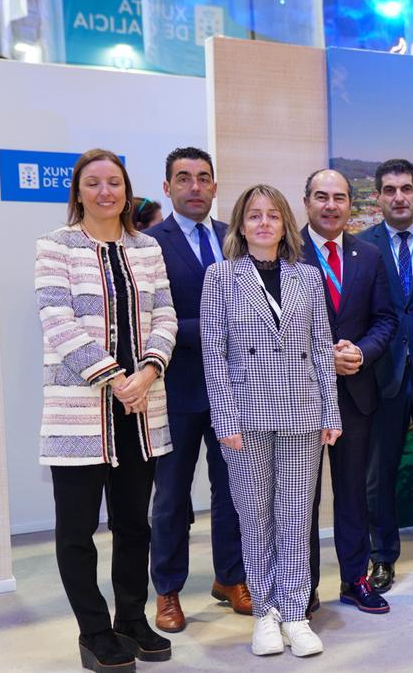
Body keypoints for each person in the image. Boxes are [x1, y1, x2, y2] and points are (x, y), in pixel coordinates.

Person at [35, 148, 177, 671]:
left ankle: (131, 619)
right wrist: (116, 379)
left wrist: (149, 371)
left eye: (113, 182)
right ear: (78, 191)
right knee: (77, 533)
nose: (104, 192)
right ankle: (94, 632)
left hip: (140, 411)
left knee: (134, 524)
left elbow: (166, 314)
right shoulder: (55, 245)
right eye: (92, 183)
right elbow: (57, 319)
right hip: (81, 410)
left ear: (126, 190)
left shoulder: (147, 248)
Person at [201, 184, 340, 657]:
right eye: (254, 215)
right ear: (241, 225)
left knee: (296, 516)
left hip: (303, 411)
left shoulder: (308, 277)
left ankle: (295, 613)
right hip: (246, 416)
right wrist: (224, 419)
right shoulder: (220, 277)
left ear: (285, 225)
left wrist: (331, 410)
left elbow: (321, 347)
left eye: (273, 216)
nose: (264, 223)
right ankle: (265, 612)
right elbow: (214, 356)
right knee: (254, 516)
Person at [146, 146, 249, 633]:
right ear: (167, 188)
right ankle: (167, 590)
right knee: (171, 498)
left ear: (214, 185)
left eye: (203, 178)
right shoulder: (148, 243)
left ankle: (230, 578)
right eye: (184, 178)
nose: (195, 187)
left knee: (233, 491)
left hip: (235, 391)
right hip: (176, 390)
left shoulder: (236, 238)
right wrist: (213, 330)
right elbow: (148, 319)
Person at [300, 169, 397, 615]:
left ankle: (355, 579)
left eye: (339, 198)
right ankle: (302, 586)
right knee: (301, 495)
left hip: (356, 392)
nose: (331, 205)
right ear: (306, 202)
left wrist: (361, 351)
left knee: (354, 491)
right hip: (300, 394)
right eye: (322, 197)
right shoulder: (286, 253)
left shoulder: (368, 255)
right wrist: (325, 357)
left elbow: (386, 320)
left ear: (350, 205)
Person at [359, 159, 413, 592]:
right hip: (381, 374)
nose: (399, 197)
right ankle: (382, 558)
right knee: (379, 474)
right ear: (378, 197)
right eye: (389, 190)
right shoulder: (362, 246)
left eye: (406, 188)